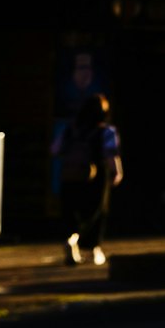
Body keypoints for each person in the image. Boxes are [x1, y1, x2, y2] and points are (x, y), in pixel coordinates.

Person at [55, 94, 123, 268]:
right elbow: (110, 154)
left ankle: (72, 238)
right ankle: (93, 248)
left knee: (72, 211)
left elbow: (55, 149)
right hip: (95, 177)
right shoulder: (105, 131)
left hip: (70, 175)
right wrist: (117, 172)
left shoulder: (70, 129)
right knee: (96, 212)